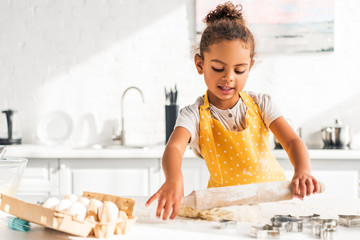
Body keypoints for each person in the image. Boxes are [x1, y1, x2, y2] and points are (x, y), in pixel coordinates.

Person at [146, 2, 319, 220]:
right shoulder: (193, 115)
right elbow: (174, 147)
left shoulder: (261, 104)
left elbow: (292, 142)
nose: (229, 77)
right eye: (218, 68)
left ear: (250, 67)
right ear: (200, 64)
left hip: (272, 206)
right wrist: (173, 178)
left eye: (239, 70)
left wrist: (302, 170)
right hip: (227, 211)